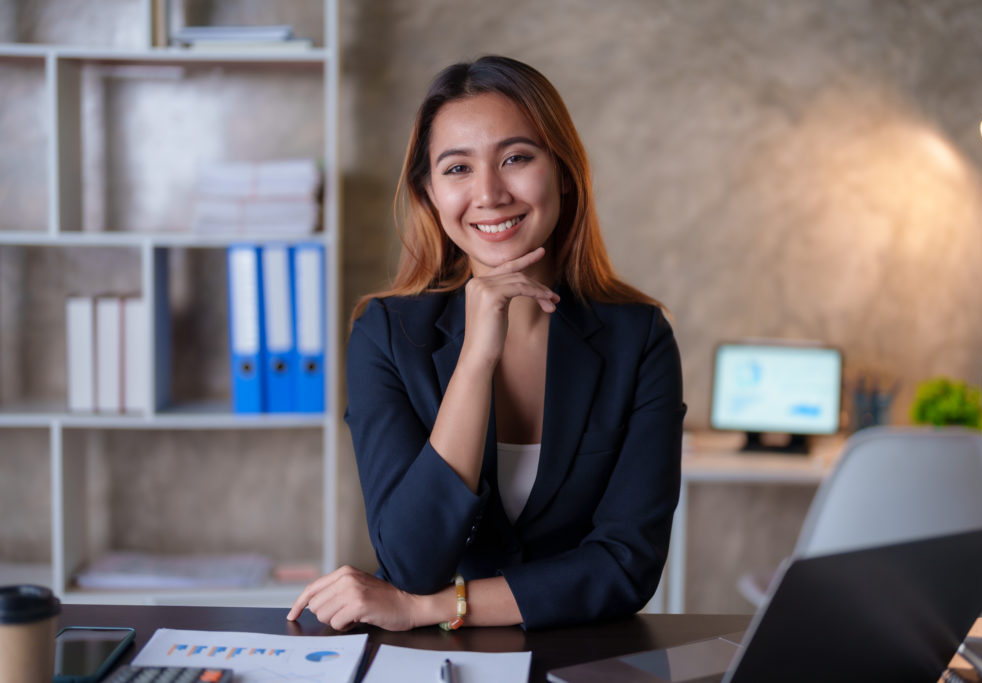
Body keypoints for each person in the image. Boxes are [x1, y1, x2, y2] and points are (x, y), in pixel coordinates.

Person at [287, 55, 685, 631]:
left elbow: (627, 566)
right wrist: (476, 359)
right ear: (429, 192)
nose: (490, 193)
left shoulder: (640, 337)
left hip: (580, 655)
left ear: (563, 172)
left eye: (517, 158)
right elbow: (411, 560)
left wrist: (429, 609)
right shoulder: (385, 334)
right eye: (457, 169)